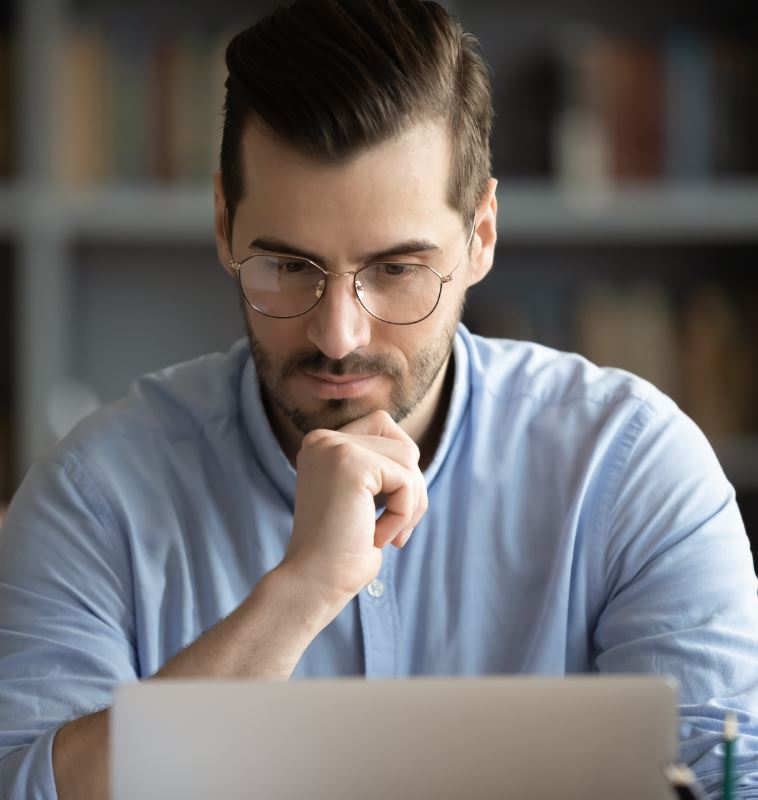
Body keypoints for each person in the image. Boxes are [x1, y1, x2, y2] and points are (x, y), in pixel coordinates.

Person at [1, 1, 757, 798]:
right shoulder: (94, 496)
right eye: (289, 266)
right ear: (224, 223)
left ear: (481, 236)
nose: (337, 334)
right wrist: (299, 594)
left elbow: (731, 775)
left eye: (398, 270)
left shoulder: (630, 465)